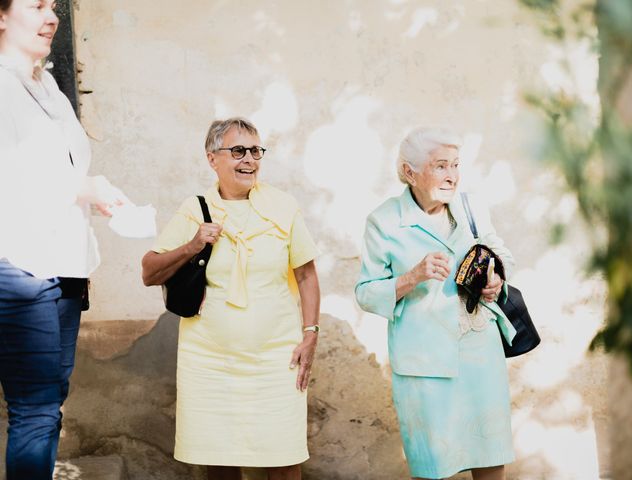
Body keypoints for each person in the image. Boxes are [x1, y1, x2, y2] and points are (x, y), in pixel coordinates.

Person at [142, 117, 320, 480]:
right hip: (210, 360)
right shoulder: (195, 209)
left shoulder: (283, 207)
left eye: (256, 151)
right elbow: (149, 271)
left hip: (276, 357)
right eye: (238, 150)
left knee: (284, 456)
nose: (249, 160)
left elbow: (306, 274)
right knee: (219, 459)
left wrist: (311, 332)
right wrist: (194, 244)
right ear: (212, 159)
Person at [0, 1, 130, 479]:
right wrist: (79, 189)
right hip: (20, 267)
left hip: (66, 263)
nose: (51, 16)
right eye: (36, 5)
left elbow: (67, 169)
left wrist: (93, 192)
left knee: (52, 402)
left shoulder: (48, 85)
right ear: (0, 15)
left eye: (54, 6)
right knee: (34, 409)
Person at [355, 127, 517, 480]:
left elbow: (499, 252)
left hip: (478, 350)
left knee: (489, 454)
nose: (452, 176)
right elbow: (365, 291)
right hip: (424, 362)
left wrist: (496, 277)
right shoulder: (383, 221)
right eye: (441, 165)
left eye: (456, 165)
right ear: (410, 172)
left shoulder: (471, 207)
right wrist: (411, 277)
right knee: (432, 465)